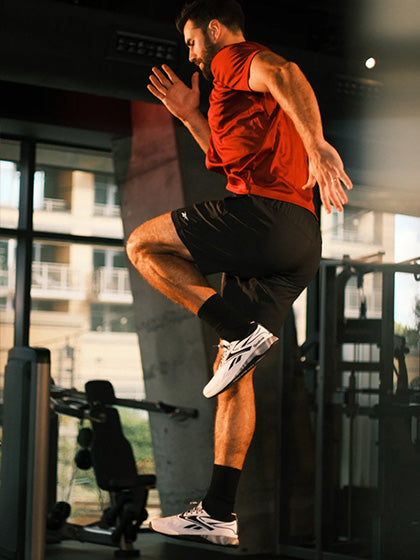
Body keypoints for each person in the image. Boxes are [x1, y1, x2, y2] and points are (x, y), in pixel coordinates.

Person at [126, 0, 352, 547]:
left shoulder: (232, 57)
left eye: (191, 42)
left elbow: (285, 73)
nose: (191, 54)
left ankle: (237, 331)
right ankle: (218, 512)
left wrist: (318, 143)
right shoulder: (233, 102)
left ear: (216, 28)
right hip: (296, 244)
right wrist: (188, 116)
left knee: (140, 245)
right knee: (234, 377)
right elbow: (228, 164)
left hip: (267, 218)